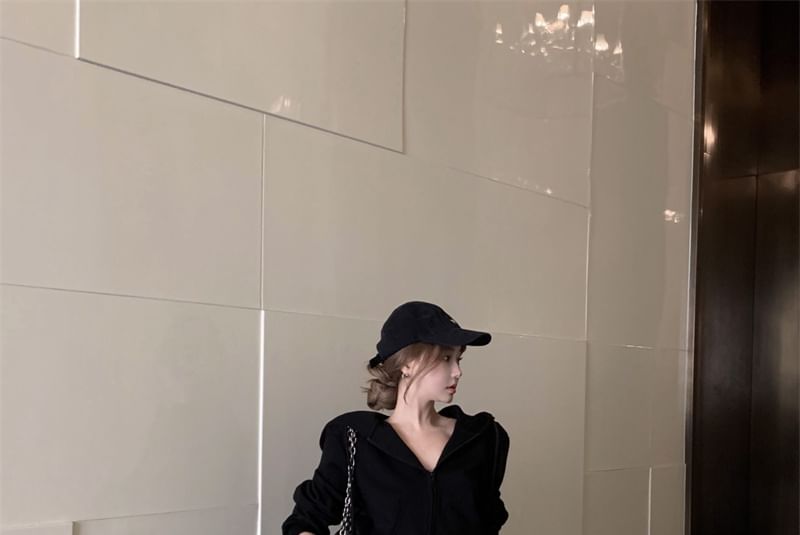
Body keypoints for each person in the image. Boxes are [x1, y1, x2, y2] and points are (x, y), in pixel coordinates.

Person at [282, 301, 510, 535]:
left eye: (458, 359)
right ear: (407, 364)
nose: (457, 372)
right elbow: (306, 519)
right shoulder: (354, 439)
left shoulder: (482, 438)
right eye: (445, 358)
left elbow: (488, 522)